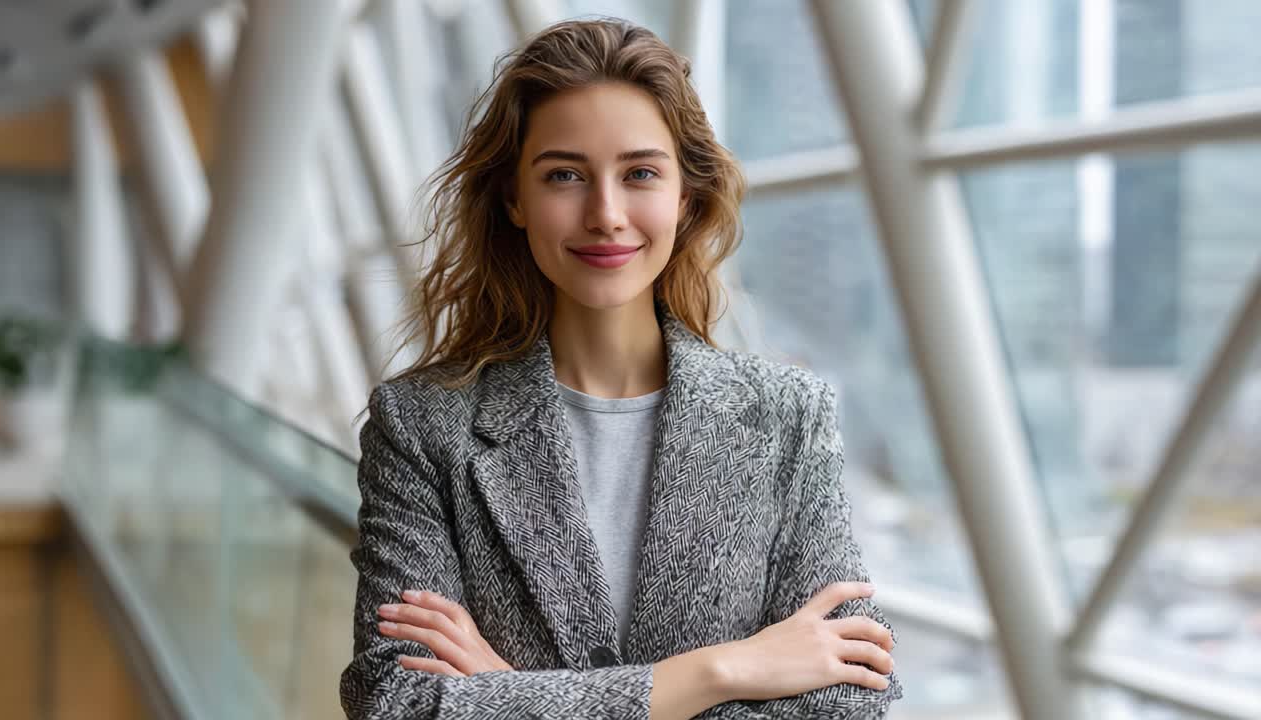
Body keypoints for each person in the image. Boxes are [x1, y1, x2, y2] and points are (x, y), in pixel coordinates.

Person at [340, 17, 902, 720]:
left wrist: (503, 690)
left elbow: (849, 705)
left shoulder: (787, 417)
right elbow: (395, 704)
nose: (606, 214)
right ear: (515, 198)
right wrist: (722, 670)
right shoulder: (422, 424)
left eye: (639, 173)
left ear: (686, 196)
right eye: (565, 175)